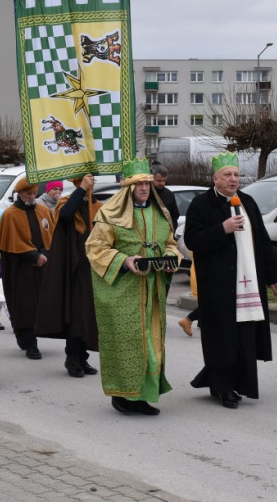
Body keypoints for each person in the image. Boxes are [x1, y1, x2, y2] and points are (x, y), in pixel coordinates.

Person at [183, 152, 277, 409]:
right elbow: (192, 240)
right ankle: (223, 388)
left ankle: (241, 384)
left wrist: (274, 278)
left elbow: (262, 240)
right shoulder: (201, 204)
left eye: (237, 175)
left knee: (244, 336)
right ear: (215, 178)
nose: (233, 179)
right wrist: (222, 229)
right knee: (223, 337)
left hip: (248, 280)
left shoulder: (248, 202)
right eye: (227, 175)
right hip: (218, 284)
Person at [85, 159, 180, 415]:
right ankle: (123, 396)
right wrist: (124, 260)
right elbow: (95, 248)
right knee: (129, 343)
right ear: (127, 187)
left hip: (153, 290)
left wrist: (172, 259)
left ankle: (143, 396)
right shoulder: (109, 215)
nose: (144, 188)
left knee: (152, 343)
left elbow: (170, 242)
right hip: (123, 291)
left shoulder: (161, 213)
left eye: (147, 183)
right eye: (139, 183)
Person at [35, 174, 101, 378]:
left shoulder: (97, 205)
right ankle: (72, 357)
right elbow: (65, 217)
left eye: (92, 180)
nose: (91, 183)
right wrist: (81, 190)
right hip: (74, 266)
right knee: (76, 314)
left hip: (94, 265)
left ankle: (83, 357)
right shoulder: (66, 202)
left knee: (89, 314)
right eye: (87, 180)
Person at [0, 177, 53, 360]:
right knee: (25, 305)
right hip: (20, 267)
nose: (31, 196)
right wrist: (33, 256)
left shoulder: (43, 211)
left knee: (41, 304)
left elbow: (50, 236)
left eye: (34, 193)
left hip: (41, 265)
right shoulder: (10, 214)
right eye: (28, 193)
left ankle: (32, 335)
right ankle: (30, 343)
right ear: (19, 194)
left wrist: (44, 254)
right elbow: (12, 243)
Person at [151, 165, 180, 230]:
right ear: (151, 178)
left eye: (164, 180)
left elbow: (174, 216)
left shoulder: (169, 195)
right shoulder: (145, 194)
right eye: (159, 181)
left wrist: (171, 231)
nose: (162, 183)